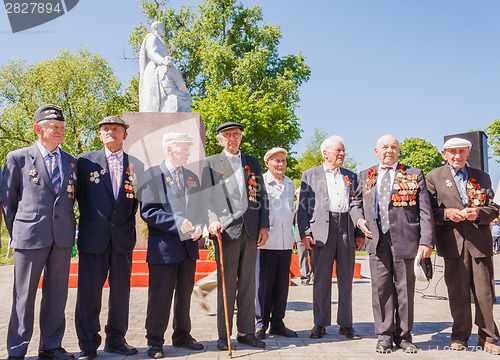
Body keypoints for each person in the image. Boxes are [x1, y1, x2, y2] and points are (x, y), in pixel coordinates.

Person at [1, 104, 77, 360]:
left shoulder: (71, 162)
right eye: (55, 127)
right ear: (38, 129)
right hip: (30, 236)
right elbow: (8, 201)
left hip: (62, 238)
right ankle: (17, 349)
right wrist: (19, 231)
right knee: (24, 296)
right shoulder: (18, 157)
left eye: (63, 128)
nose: (60, 131)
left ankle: (51, 347)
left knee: (57, 295)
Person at [350, 134, 435, 353]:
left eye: (393, 147)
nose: (389, 150)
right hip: (377, 240)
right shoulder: (366, 174)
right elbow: (355, 203)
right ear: (376, 151)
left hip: (407, 239)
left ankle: (404, 336)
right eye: (384, 147)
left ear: (398, 150)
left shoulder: (414, 174)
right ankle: (384, 335)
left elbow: (425, 210)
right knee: (381, 290)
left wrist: (426, 241)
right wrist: (359, 220)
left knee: (405, 290)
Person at [74, 116, 143, 360]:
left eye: (117, 129)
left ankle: (116, 339)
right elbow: (79, 198)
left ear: (125, 134)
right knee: (88, 293)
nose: (111, 132)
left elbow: (137, 201)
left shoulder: (135, 164)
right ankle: (88, 344)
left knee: (121, 293)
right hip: (93, 238)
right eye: (106, 129)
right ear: (100, 134)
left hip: (122, 238)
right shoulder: (84, 162)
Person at [426, 137, 500, 353]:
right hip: (452, 244)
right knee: (457, 294)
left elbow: (494, 209)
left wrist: (479, 213)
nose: (457, 156)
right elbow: (428, 211)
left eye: (461, 151)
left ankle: (489, 337)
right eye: (452, 152)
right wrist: (447, 214)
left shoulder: (482, 176)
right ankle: (459, 336)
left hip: (479, 243)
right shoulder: (433, 177)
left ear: (468, 152)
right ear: (444, 154)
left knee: (485, 293)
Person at [201, 122, 269, 350]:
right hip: (225, 231)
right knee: (227, 285)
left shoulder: (252, 162)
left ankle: (246, 332)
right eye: (227, 135)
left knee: (249, 283)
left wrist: (264, 226)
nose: (232, 138)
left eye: (236, 135)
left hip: (250, 230)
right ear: (220, 139)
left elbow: (262, 196)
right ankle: (225, 334)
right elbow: (205, 198)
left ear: (241, 138)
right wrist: (211, 220)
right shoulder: (210, 163)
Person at [140, 132, 204, 359]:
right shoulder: (152, 175)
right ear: (168, 148)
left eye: (189, 148)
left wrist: (199, 226)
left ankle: (182, 335)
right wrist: (176, 222)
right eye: (184, 148)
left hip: (189, 247)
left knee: (185, 295)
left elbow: (199, 209)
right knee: (160, 296)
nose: (188, 152)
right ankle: (155, 341)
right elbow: (148, 212)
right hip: (164, 248)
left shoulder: (192, 177)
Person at [297, 135, 364, 341]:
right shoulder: (310, 174)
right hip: (320, 232)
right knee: (321, 280)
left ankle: (346, 324)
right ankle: (320, 323)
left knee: (346, 279)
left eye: (344, 151)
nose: (342, 154)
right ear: (325, 153)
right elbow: (303, 207)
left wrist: (359, 232)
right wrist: (304, 233)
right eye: (338, 151)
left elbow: (357, 204)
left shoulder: (351, 176)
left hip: (346, 227)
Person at [255, 147, 298, 340]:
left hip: (285, 241)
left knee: (282, 285)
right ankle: (260, 323)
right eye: (277, 161)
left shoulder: (289, 183)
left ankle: (278, 323)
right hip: (266, 241)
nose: (281, 164)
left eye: (283, 161)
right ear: (267, 163)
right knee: (264, 285)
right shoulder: (260, 182)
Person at [139, 21, 191, 112]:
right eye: (162, 28)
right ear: (156, 28)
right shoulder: (152, 37)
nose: (164, 31)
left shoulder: (160, 39)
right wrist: (163, 61)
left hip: (163, 69)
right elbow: (152, 53)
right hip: (155, 69)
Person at [293, 188, 313, 285]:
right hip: (312, 233)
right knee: (313, 257)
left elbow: (292, 220)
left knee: (302, 257)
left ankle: (305, 278)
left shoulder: (295, 204)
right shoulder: (312, 203)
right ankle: (314, 277)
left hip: (299, 233)